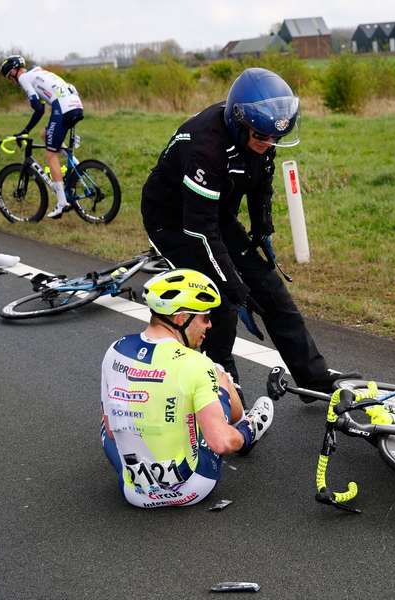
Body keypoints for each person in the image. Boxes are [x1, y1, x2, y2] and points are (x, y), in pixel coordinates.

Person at [141, 67, 357, 399]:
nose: (268, 144)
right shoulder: (206, 146)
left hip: (216, 214)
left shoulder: (262, 132)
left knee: (272, 292)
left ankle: (312, 378)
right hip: (172, 221)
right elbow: (199, 231)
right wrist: (235, 290)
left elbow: (261, 185)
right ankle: (222, 389)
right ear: (239, 124)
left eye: (275, 139)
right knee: (219, 302)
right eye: (261, 137)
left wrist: (262, 229)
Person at [100, 268, 274, 508]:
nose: (210, 325)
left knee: (112, 420)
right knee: (218, 375)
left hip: (135, 494)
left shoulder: (115, 350)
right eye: (205, 317)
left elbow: (110, 431)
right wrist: (242, 435)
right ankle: (249, 426)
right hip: (192, 488)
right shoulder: (197, 363)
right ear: (181, 318)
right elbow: (221, 443)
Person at [1, 55, 85, 219]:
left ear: (13, 71)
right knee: (45, 134)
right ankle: (77, 167)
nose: (11, 81)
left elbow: (38, 109)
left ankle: (62, 203)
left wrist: (24, 131)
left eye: (9, 77)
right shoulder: (39, 71)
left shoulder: (24, 78)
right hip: (76, 104)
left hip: (62, 107)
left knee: (50, 154)